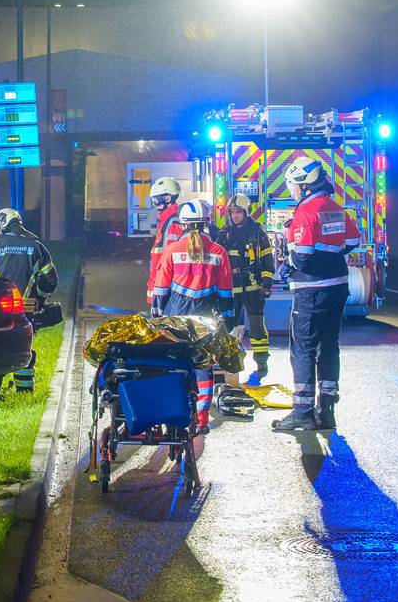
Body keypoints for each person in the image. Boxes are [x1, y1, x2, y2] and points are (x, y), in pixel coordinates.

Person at [271, 157, 363, 434]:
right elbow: (353, 241)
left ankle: (302, 411)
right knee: (329, 346)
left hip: (312, 291)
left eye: (294, 186)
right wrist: (330, 256)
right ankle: (327, 409)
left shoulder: (306, 211)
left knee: (303, 349)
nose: (293, 192)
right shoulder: (335, 208)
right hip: (338, 288)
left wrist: (286, 263)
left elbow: (302, 255)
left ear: (304, 185)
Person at [146, 197, 235, 443]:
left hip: (176, 319)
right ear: (207, 223)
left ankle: (172, 413)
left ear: (183, 224)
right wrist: (227, 321)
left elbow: (160, 289)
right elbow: (226, 293)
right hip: (204, 321)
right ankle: (202, 419)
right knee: (202, 368)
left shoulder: (173, 251)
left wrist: (157, 315)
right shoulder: (219, 252)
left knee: (173, 365)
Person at [0, 208, 59, 392]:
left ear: (0, 226)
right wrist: (39, 299)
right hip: (26, 310)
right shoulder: (36, 246)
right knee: (23, 345)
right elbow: (50, 280)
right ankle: (25, 390)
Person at [212, 181, 274, 384]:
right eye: (232, 212)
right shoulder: (224, 234)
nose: (235, 216)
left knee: (257, 326)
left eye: (238, 212)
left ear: (246, 212)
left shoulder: (258, 233)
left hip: (253, 287)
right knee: (231, 327)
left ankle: (262, 361)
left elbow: (266, 258)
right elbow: (217, 261)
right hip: (231, 289)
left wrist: (266, 282)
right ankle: (231, 363)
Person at [145, 175, 184, 294]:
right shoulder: (166, 221)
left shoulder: (173, 224)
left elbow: (171, 261)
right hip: (161, 282)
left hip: (165, 286)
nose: (154, 204)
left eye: (156, 200)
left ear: (168, 198)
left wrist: (161, 288)